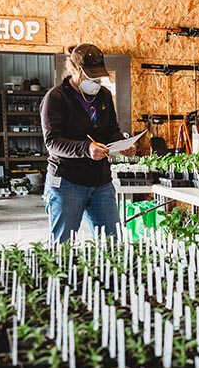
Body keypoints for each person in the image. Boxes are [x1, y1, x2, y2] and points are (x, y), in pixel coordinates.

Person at [41, 43, 134, 244]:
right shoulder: (56, 98)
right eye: (90, 76)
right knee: (63, 245)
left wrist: (122, 143)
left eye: (98, 76)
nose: (95, 81)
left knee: (111, 243)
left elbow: (111, 130)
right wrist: (86, 148)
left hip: (101, 181)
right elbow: (52, 142)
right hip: (67, 181)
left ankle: (108, 276)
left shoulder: (104, 95)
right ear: (74, 70)